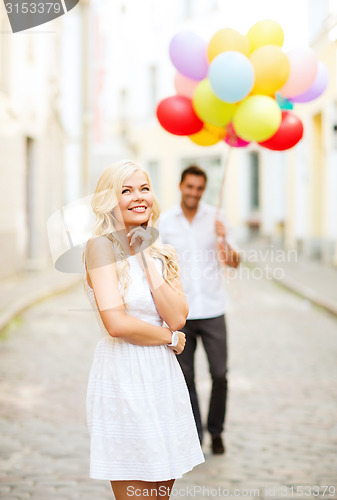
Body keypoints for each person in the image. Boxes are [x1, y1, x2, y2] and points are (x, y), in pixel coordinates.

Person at [84, 160, 204, 500]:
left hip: (162, 377)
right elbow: (116, 323)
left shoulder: (162, 251)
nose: (139, 197)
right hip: (123, 375)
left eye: (144, 188)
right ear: (110, 200)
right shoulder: (100, 247)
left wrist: (144, 258)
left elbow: (178, 315)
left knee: (161, 494)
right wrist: (169, 338)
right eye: (126, 190)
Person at [159, 165, 240, 455]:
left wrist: (224, 239)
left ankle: (216, 431)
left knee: (220, 374)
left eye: (199, 188)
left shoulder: (217, 218)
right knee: (185, 377)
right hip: (180, 313)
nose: (194, 192)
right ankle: (195, 434)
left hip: (213, 308)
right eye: (189, 186)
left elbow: (234, 262)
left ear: (204, 190)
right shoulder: (165, 222)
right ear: (181, 186)